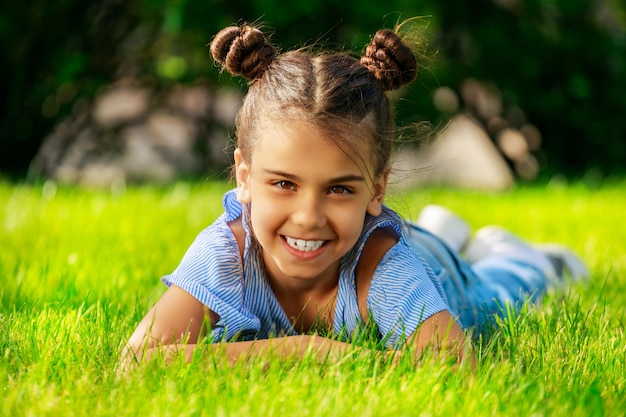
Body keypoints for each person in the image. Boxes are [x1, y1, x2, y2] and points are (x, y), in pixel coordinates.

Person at [122, 23, 588, 368]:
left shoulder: (383, 269)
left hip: (432, 271)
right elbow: (137, 364)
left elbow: (451, 364)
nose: (307, 217)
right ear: (243, 176)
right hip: (376, 234)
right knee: (406, 242)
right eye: (284, 184)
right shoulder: (227, 251)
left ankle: (516, 255)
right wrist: (304, 351)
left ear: (377, 187)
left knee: (499, 294)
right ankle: (437, 228)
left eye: (339, 188)